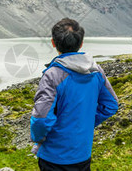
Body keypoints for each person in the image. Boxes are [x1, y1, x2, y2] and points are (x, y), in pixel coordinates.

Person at [30, 18, 119, 171]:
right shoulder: (96, 71)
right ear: (81, 43)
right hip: (82, 154)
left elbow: (41, 120)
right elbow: (111, 105)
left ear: (53, 43)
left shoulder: (53, 75)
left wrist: (38, 139)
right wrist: (86, 123)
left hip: (54, 157)